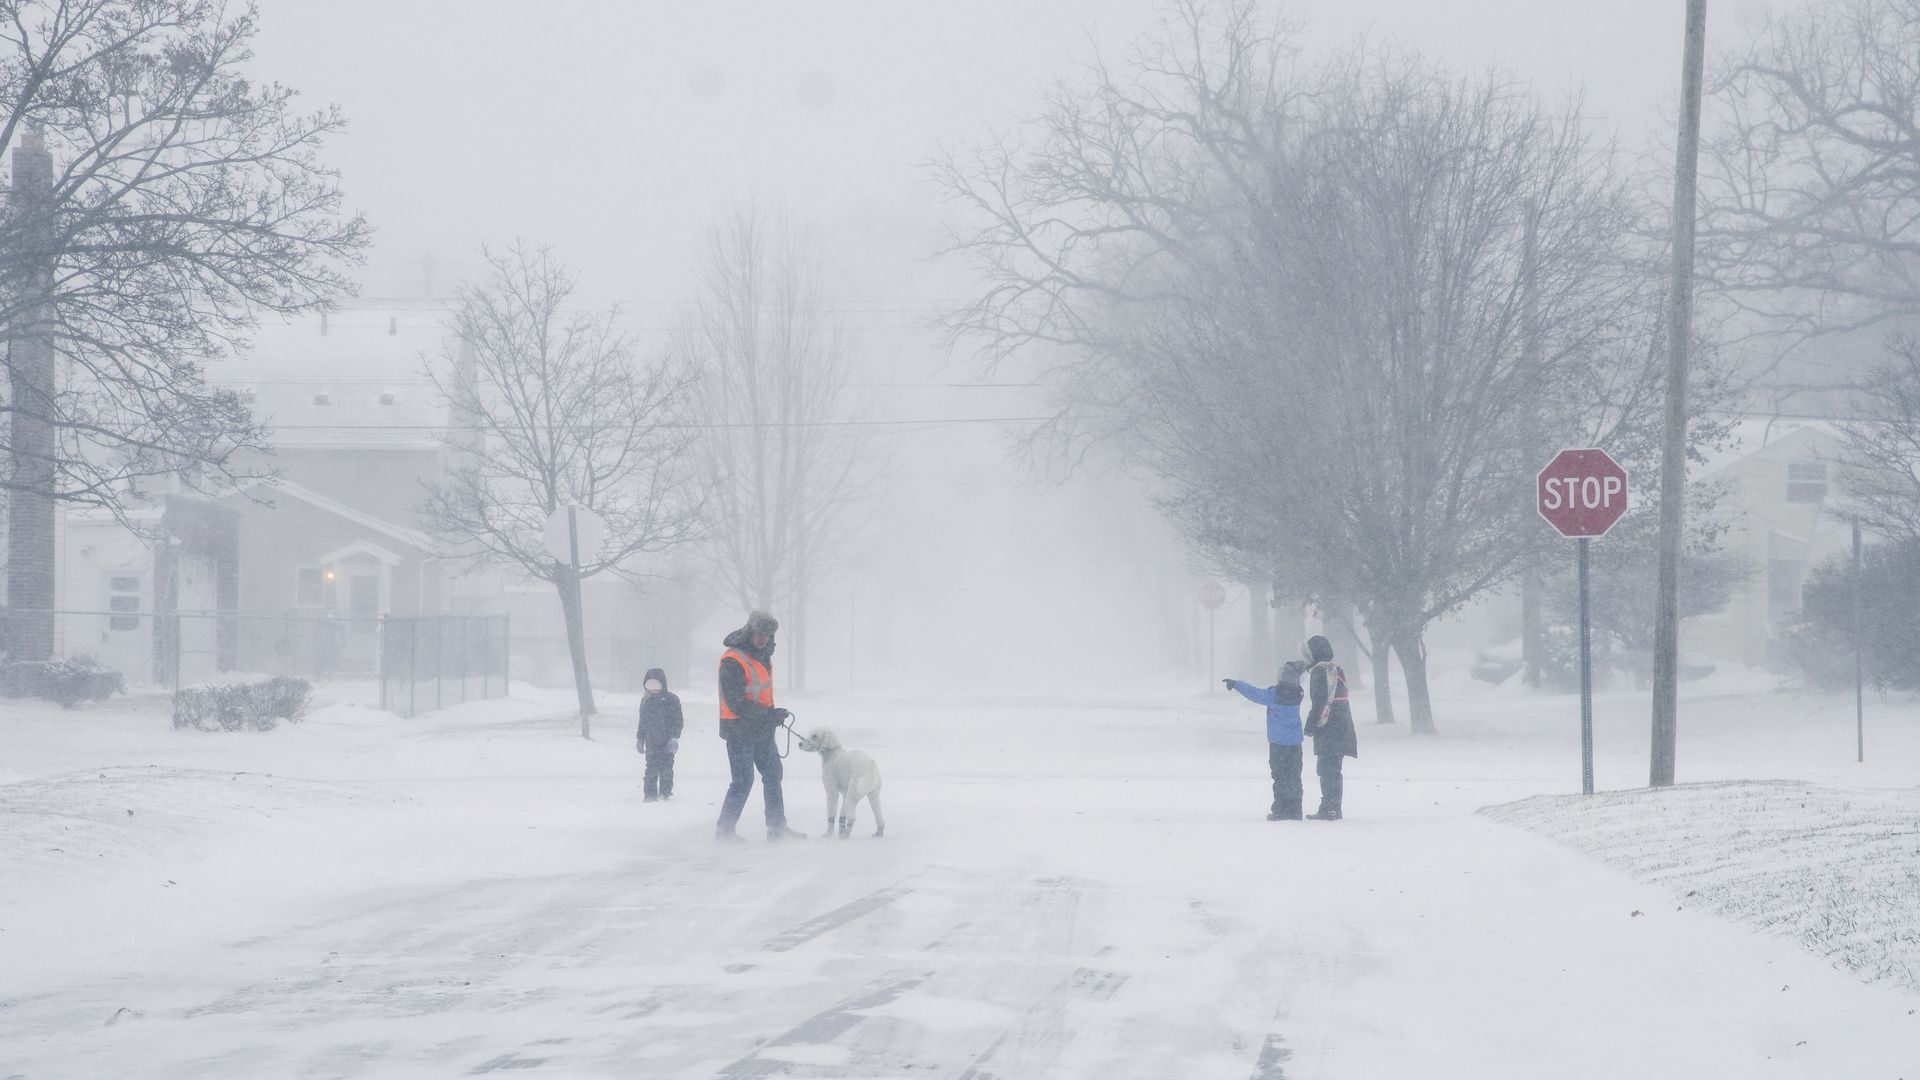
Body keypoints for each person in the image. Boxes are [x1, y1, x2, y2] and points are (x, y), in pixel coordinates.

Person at [714, 611, 806, 842]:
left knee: (773, 775)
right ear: (749, 632)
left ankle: (777, 828)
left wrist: (771, 714)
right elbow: (735, 701)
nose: (762, 638)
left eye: (767, 635)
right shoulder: (732, 660)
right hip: (738, 730)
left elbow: (758, 694)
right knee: (743, 781)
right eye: (758, 634)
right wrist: (767, 715)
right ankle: (724, 831)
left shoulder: (762, 656)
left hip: (762, 730)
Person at [1223, 660, 1307, 821]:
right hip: (1295, 742)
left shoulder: (1274, 695)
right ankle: (1295, 809)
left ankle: (1281, 809)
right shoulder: (1299, 693)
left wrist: (1236, 684)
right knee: (1294, 776)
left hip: (1278, 743)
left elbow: (1254, 693)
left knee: (1280, 776)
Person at [1302, 635, 1358, 820]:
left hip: (1329, 726)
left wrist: (1310, 726)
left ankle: (1328, 807)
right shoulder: (1336, 668)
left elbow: (1319, 702)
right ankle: (1334, 806)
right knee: (1335, 767)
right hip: (1343, 723)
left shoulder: (1319, 672)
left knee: (1327, 768)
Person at [637, 667, 683, 802]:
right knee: (651, 768)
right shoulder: (645, 701)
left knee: (666, 767)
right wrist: (640, 738)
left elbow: (678, 720)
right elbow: (642, 721)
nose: (653, 688)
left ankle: (665, 792)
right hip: (651, 741)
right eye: (649, 684)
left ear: (663, 684)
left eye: (656, 684)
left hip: (667, 740)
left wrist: (675, 737)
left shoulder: (671, 700)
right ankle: (650, 795)